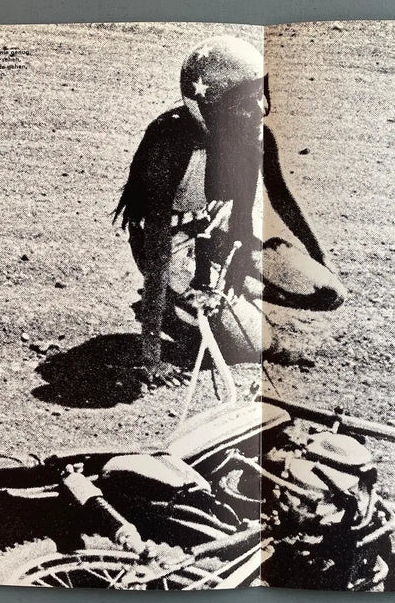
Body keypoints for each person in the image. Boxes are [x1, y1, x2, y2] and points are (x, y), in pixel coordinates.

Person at [114, 36, 345, 389]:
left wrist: (321, 257)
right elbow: (158, 247)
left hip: (217, 238)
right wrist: (151, 357)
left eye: (260, 93)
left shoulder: (256, 137)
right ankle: (169, 308)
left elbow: (281, 197)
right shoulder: (169, 143)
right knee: (255, 346)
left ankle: (218, 299)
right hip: (172, 247)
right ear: (207, 106)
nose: (260, 108)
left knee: (329, 292)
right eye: (244, 101)